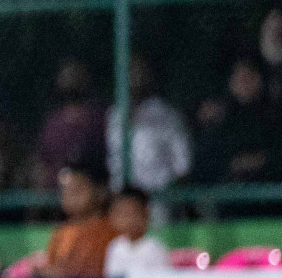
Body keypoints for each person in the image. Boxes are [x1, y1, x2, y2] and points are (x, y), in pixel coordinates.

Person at [105, 55, 190, 219]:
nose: (134, 78)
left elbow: (182, 165)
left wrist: (167, 194)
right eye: (129, 73)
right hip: (122, 200)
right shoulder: (114, 115)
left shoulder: (166, 114)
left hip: (156, 202)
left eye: (139, 72)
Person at [194, 56, 278, 184]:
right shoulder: (220, 118)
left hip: (268, 190)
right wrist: (232, 164)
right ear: (231, 82)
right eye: (240, 78)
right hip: (228, 191)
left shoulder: (273, 115)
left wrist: (262, 160)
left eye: (250, 77)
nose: (245, 83)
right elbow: (207, 160)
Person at [39, 160, 117, 278]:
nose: (70, 196)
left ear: (100, 192)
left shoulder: (110, 231)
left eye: (77, 190)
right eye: (65, 191)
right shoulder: (61, 232)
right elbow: (53, 267)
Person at [35, 58, 105, 189]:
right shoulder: (53, 123)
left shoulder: (98, 119)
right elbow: (42, 162)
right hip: (57, 195)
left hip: (91, 192)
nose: (71, 79)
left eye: (75, 75)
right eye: (67, 75)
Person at [104, 187, 170, 277]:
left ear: (145, 214)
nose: (128, 220)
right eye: (122, 214)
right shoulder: (115, 247)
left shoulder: (154, 248)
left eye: (131, 214)